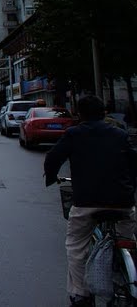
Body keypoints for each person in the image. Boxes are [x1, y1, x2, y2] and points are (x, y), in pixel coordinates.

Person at [44, 94, 137, 306]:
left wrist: (51, 178)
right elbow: (133, 163)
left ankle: (80, 294)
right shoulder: (119, 134)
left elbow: (53, 157)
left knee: (76, 247)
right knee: (128, 240)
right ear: (103, 113)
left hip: (86, 202)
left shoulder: (74, 134)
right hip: (123, 201)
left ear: (79, 114)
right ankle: (128, 267)